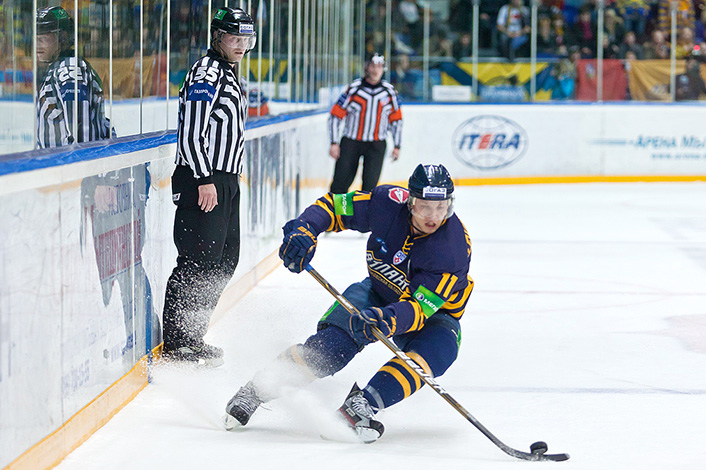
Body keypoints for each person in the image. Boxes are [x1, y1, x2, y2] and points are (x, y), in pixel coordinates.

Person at [223, 164, 474, 442]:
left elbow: (418, 309)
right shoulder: (387, 203)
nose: (433, 216)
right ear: (410, 202)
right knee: (329, 350)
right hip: (377, 291)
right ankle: (257, 389)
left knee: (438, 351)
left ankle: (362, 405)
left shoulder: (452, 249)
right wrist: (305, 230)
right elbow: (333, 207)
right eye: (425, 206)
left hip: (433, 315)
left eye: (441, 207)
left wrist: (387, 319)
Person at [161, 7, 256, 367]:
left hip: (225, 180)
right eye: (234, 38)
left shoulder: (228, 73)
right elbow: (191, 132)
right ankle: (177, 342)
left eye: (247, 39)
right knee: (197, 260)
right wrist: (204, 178)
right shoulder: (207, 72)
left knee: (223, 262)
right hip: (204, 178)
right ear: (217, 37)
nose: (241, 46)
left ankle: (192, 336)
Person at [327, 53, 403, 194]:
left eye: (379, 66)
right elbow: (335, 115)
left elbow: (396, 120)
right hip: (351, 142)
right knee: (340, 183)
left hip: (376, 144)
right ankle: (337, 209)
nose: (376, 70)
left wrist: (397, 145)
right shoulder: (353, 89)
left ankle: (363, 210)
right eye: (373, 66)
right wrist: (334, 142)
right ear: (366, 67)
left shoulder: (389, 92)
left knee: (370, 189)